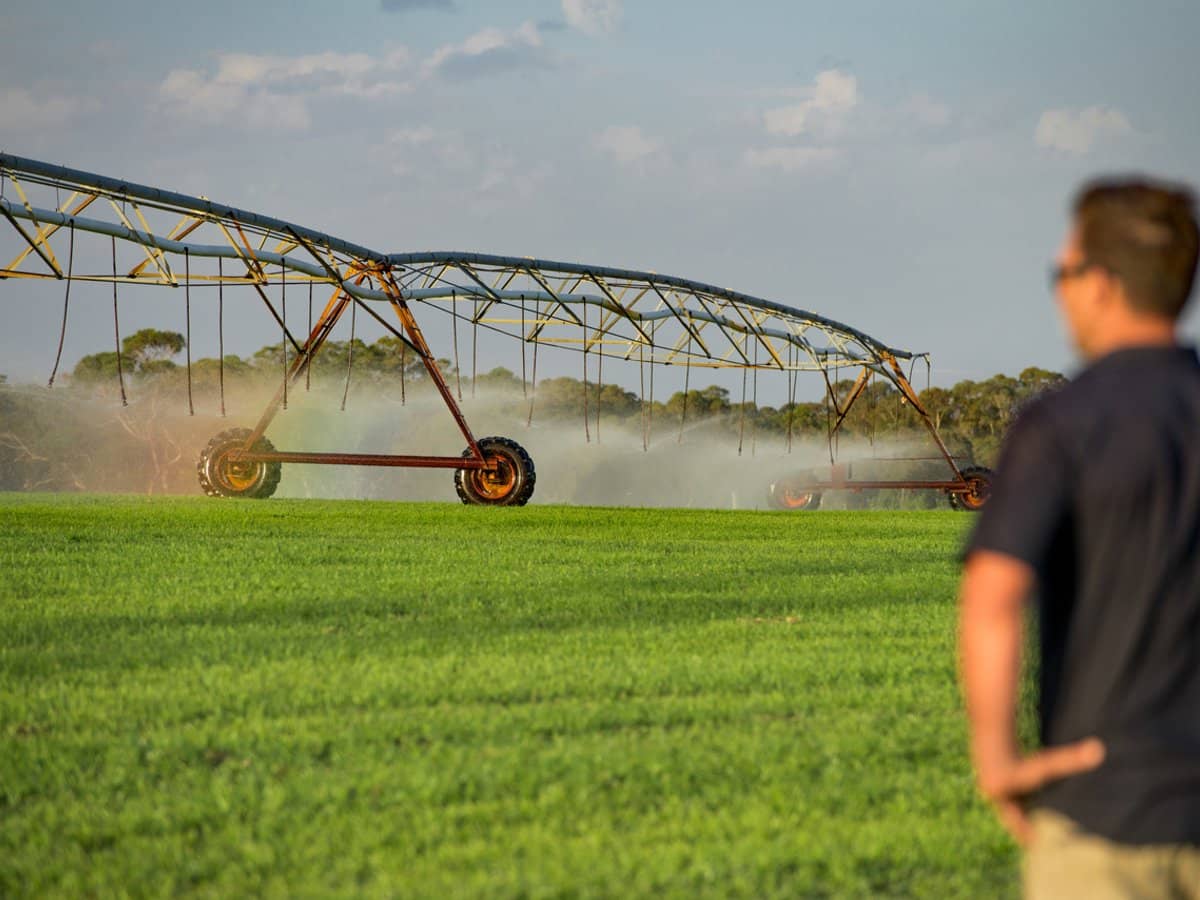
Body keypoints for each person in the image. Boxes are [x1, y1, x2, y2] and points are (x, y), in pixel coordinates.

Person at [959, 178, 1200, 898]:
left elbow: (992, 596)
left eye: (1061, 273)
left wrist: (997, 759)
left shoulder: (1063, 424)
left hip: (1102, 814)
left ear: (1099, 285)